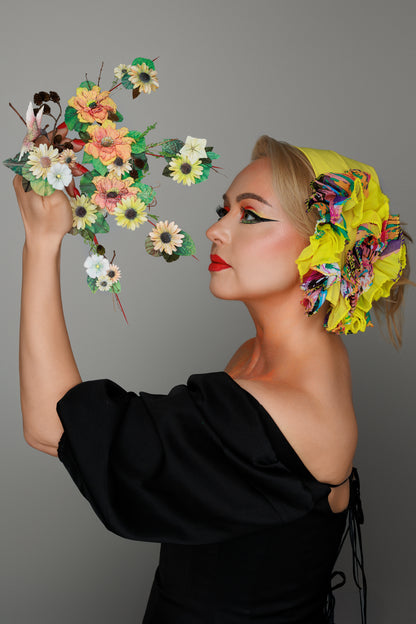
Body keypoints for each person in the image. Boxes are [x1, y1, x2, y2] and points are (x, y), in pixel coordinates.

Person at [14, 135, 412, 623]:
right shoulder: (270, 358)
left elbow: (50, 423)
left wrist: (42, 242)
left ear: (322, 246)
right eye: (224, 210)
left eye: (250, 215)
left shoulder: (286, 407)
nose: (214, 230)